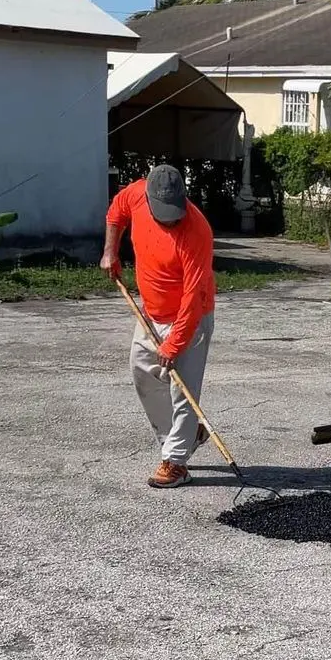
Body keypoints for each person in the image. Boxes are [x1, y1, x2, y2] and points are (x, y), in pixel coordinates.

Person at [101, 164, 215, 489]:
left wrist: (173, 344)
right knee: (142, 372)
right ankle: (187, 434)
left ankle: (176, 461)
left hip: (189, 316)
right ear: (148, 198)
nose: (171, 221)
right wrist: (110, 251)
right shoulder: (136, 194)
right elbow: (116, 212)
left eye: (175, 213)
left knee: (183, 390)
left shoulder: (197, 231)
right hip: (152, 312)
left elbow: (193, 297)